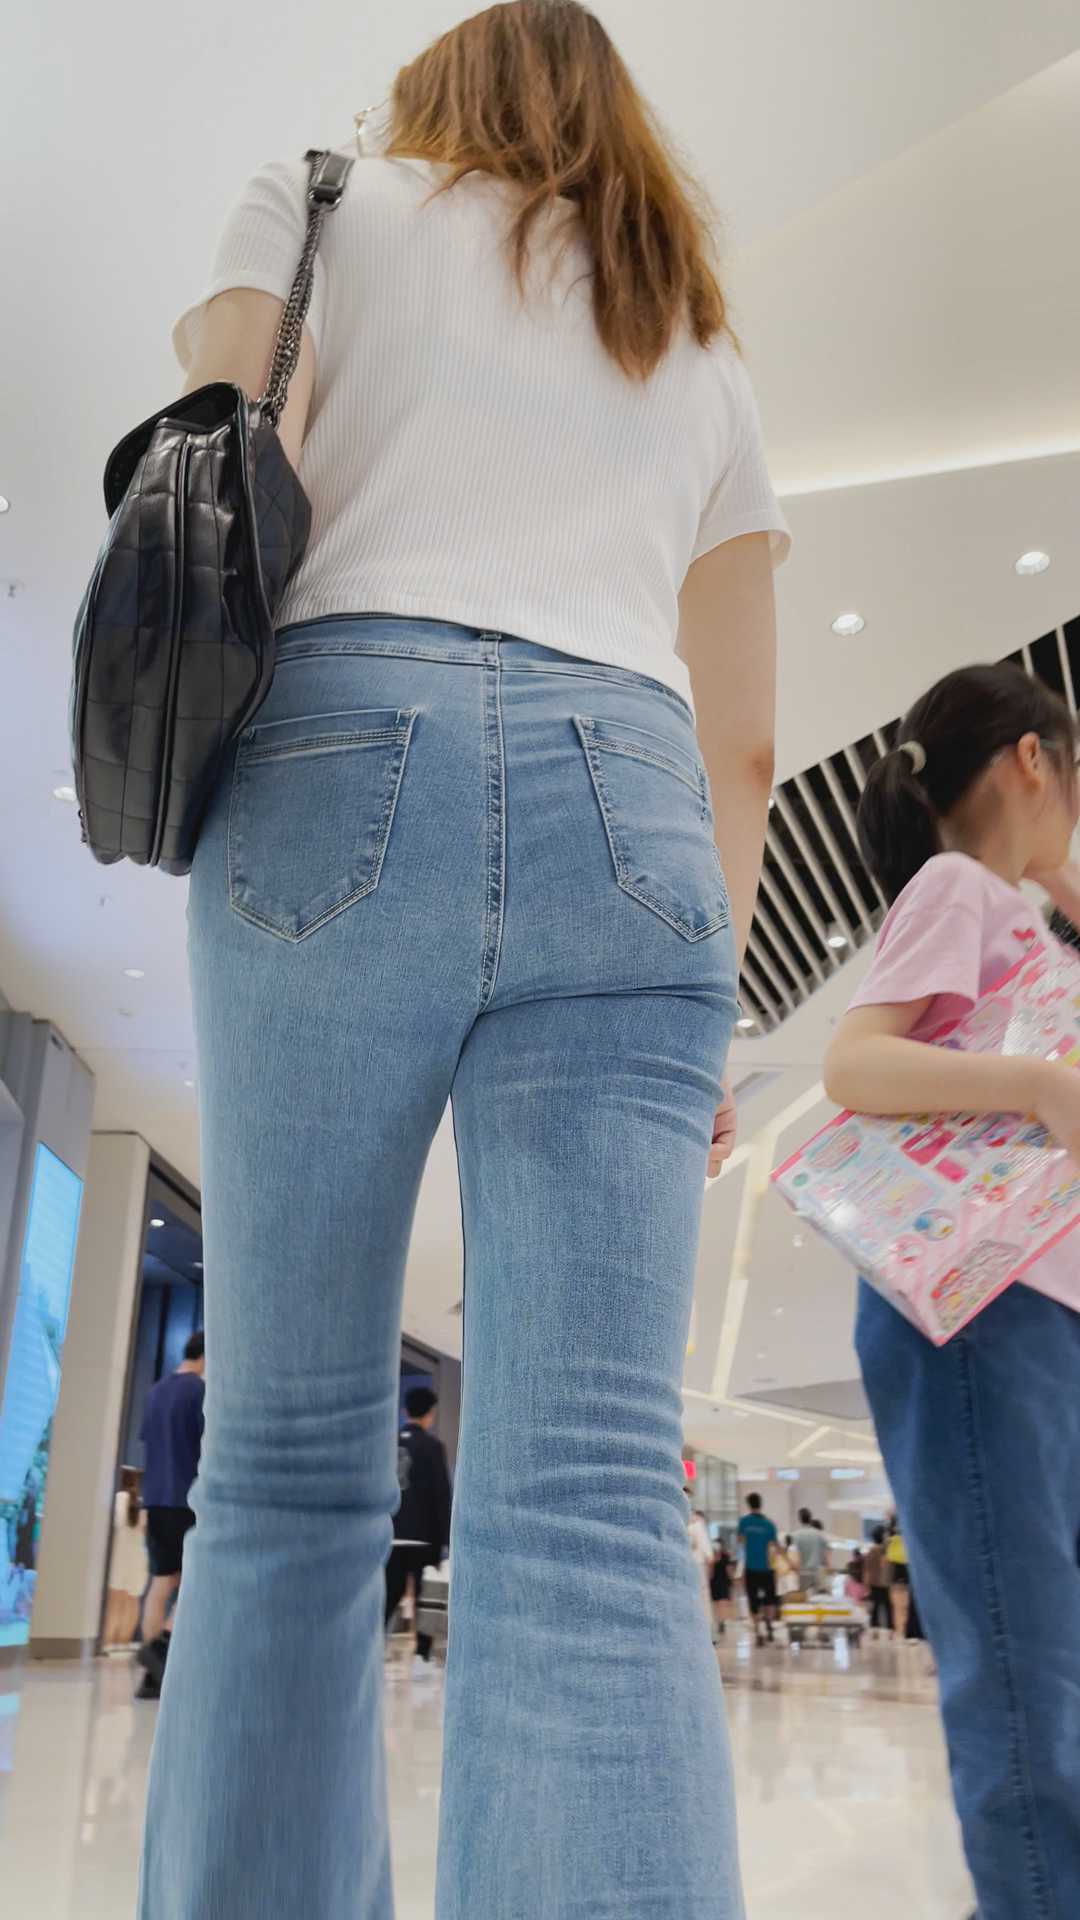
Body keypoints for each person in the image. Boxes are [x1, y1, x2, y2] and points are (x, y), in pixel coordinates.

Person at [138, 5, 786, 1912]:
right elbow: (749, 744)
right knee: (591, 1495)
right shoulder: (700, 341)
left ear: (437, 95)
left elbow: (225, 468)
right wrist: (710, 1022)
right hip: (636, 806)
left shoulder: (327, 203)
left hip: (341, 751)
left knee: (283, 1464)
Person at [824, 660, 1080, 1919]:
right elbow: (855, 1064)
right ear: (1035, 759)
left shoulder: (1024, 917)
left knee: (1046, 1661)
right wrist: (1037, 1086)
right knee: (1027, 1669)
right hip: (981, 1305)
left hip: (1028, 1305)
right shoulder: (955, 887)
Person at [135, 1331, 205, 1699]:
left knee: (161, 1580)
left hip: (155, 1498)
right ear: (206, 1356)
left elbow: (149, 1442)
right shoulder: (200, 1392)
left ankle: (151, 1675)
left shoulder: (155, 1392)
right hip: (186, 1499)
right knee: (197, 1580)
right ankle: (163, 1643)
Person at [385, 1386, 453, 1668]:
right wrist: (445, 1539)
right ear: (430, 1414)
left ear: (405, 1411)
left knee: (390, 1591)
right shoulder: (433, 1447)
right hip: (424, 1536)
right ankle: (422, 1655)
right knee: (426, 1597)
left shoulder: (389, 1444)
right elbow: (441, 1495)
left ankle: (374, 1643)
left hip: (392, 1533)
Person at [103, 1466, 148, 1649]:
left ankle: (108, 1643)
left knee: (114, 1600)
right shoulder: (144, 1503)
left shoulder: (118, 1499)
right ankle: (124, 1643)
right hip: (139, 1558)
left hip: (119, 1555)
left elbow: (115, 1525)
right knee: (132, 1600)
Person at [737, 1493, 779, 1644]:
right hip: (767, 1568)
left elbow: (740, 1543)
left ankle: (758, 1632)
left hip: (750, 1567)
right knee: (770, 1599)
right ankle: (769, 1624)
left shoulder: (744, 1522)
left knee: (753, 1600)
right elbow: (774, 1547)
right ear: (761, 1504)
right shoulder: (769, 1524)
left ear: (749, 1504)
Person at [791, 1507, 828, 1594]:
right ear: (810, 1518)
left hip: (803, 1572)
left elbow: (795, 1557)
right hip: (817, 1572)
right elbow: (825, 1556)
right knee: (818, 1598)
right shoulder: (819, 1535)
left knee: (803, 1598)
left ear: (799, 1519)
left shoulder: (795, 1535)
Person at [863, 1525, 892, 1634]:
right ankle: (889, 1633)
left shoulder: (871, 1552)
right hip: (886, 1584)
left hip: (874, 1584)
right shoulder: (886, 1551)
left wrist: (866, 1585)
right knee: (888, 1610)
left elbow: (867, 1571)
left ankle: (874, 1633)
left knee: (874, 1611)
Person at [885, 1517, 911, 1639]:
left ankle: (899, 1630)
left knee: (897, 1607)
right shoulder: (907, 1540)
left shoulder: (891, 1541)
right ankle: (903, 1629)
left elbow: (888, 1559)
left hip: (895, 1578)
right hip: (905, 1577)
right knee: (904, 1606)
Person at [710, 1539, 735, 1636]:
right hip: (715, 1582)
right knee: (717, 1604)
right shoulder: (712, 1557)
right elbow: (711, 1573)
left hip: (722, 1582)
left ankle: (722, 1622)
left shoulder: (725, 1556)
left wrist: (731, 1580)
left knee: (721, 1604)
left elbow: (729, 1570)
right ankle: (719, 1621)